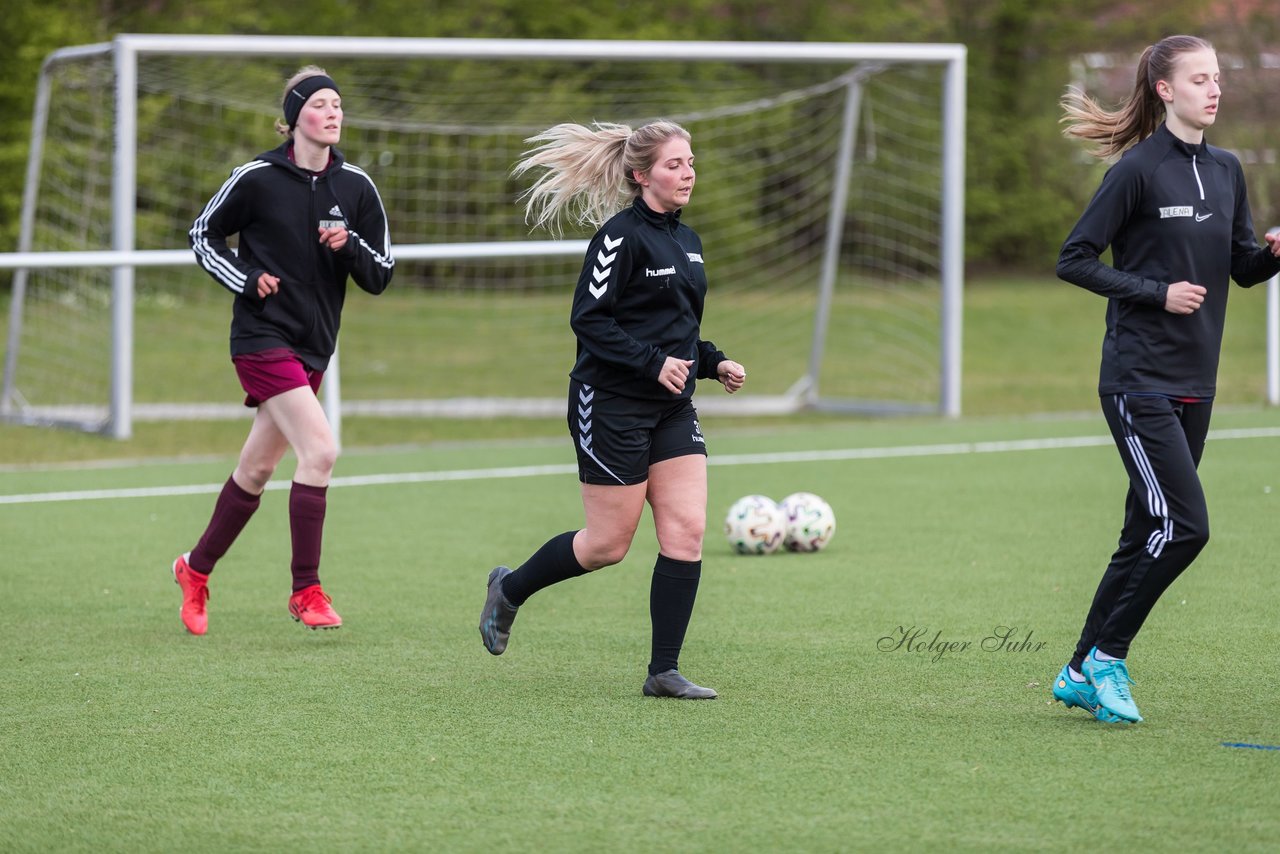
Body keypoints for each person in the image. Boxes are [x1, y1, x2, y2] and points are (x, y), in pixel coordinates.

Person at [1053, 35, 1280, 722]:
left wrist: (1272, 255)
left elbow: (1240, 265)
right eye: (1200, 79)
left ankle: (1074, 672)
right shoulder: (1137, 171)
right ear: (1165, 89)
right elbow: (1074, 258)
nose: (1215, 90)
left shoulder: (1229, 168)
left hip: (1195, 382)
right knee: (1185, 526)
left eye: (1218, 79)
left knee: (1143, 530)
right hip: (1137, 379)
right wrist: (1156, 291)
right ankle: (1107, 658)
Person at [479, 120, 746, 699]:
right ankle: (511, 588)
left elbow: (678, 332)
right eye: (674, 165)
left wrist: (712, 361)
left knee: (687, 530)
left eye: (691, 162)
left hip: (671, 408)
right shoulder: (618, 237)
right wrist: (652, 363)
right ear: (641, 174)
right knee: (607, 546)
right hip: (611, 405)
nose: (688, 173)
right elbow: (589, 320)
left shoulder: (690, 241)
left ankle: (663, 671)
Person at [176, 66, 394, 634]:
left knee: (257, 467)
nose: (333, 113)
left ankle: (194, 570)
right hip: (260, 338)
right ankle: (306, 589)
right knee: (320, 450)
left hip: (314, 346)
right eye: (321, 104)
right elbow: (203, 234)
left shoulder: (358, 188)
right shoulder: (256, 178)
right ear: (296, 115)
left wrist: (348, 248)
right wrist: (246, 279)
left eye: (338, 105)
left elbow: (382, 274)